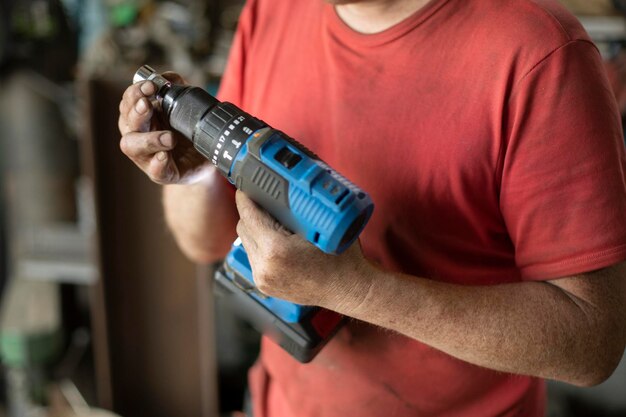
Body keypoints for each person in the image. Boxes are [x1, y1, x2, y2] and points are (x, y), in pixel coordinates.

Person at [118, 0, 626, 416]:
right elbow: (202, 240)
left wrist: (355, 290)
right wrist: (193, 169)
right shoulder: (272, 12)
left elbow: (591, 342)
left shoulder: (539, 52)